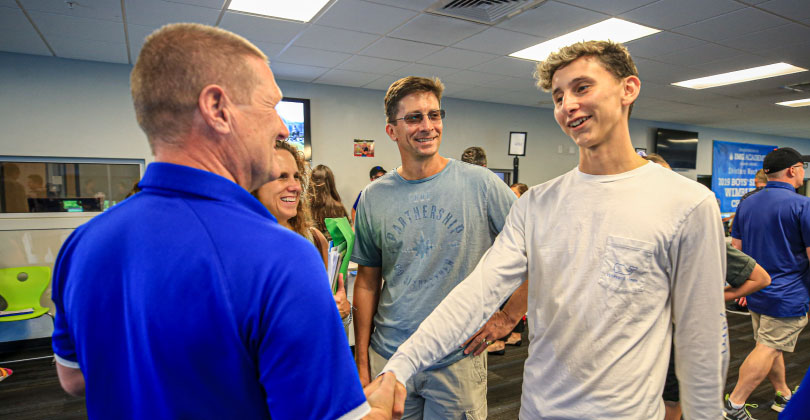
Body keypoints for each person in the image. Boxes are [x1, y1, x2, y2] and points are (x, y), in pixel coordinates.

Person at [50, 23, 403, 420]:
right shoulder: (281, 256)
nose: (282, 127)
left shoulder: (82, 243)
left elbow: (73, 378)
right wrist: (380, 403)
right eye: (270, 105)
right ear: (218, 109)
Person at [381, 40, 728, 419]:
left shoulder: (687, 203)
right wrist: (399, 368)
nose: (568, 105)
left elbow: (702, 340)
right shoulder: (537, 205)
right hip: (537, 410)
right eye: (558, 96)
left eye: (582, 88)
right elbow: (477, 294)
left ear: (628, 89)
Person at [352, 76, 518, 419]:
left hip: (457, 358)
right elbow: (368, 281)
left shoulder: (481, 184)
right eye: (414, 118)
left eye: (434, 115)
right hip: (392, 357)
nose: (427, 126)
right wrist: (363, 359)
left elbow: (538, 250)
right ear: (391, 131)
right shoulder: (374, 196)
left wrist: (508, 316)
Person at [645, 153, 772, 420]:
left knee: (671, 403)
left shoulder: (695, 231)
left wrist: (714, 297)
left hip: (677, 338)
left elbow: (759, 278)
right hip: (636, 339)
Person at [726, 147, 810, 419]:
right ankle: (734, 406)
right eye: (802, 167)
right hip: (788, 295)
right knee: (769, 346)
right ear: (792, 170)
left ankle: (782, 394)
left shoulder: (747, 202)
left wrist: (744, 287)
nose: (803, 173)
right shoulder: (802, 205)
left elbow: (736, 250)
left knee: (770, 345)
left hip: (757, 294)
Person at [254, 140, 351, 325]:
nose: (295, 186)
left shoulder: (313, 239)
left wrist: (344, 312)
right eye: (282, 176)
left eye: (296, 177)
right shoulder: (241, 249)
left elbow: (331, 313)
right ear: (255, 183)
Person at [310, 164, 349, 240]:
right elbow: (347, 236)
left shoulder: (303, 208)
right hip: (335, 250)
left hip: (309, 250)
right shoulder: (338, 208)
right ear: (331, 183)